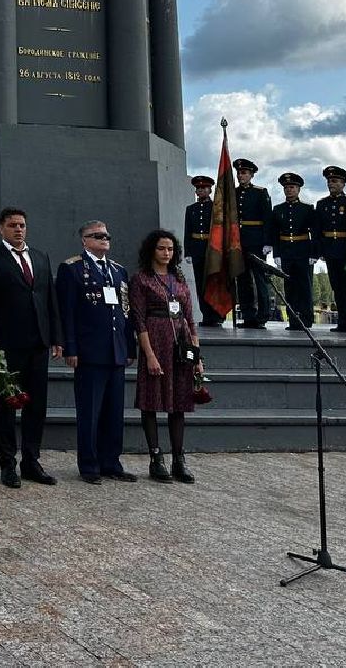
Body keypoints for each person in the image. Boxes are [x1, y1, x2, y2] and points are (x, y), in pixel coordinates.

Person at [0, 207, 62, 489]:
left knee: (36, 405)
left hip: (38, 342)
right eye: (12, 225)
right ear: (1, 228)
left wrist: (56, 338)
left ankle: (31, 460)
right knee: (6, 404)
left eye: (22, 225)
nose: (18, 229)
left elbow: (50, 300)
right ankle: (7, 462)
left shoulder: (40, 257)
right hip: (7, 344)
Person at [57, 220, 136, 484]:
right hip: (89, 352)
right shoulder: (73, 269)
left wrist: (130, 346)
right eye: (98, 236)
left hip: (116, 351)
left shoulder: (118, 271)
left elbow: (125, 312)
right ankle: (89, 465)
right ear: (84, 240)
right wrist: (71, 347)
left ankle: (111, 462)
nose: (104, 239)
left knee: (114, 412)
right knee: (90, 412)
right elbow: (67, 313)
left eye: (107, 236)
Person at [128, 229, 200, 484]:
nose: (166, 253)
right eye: (161, 248)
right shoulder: (141, 280)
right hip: (155, 341)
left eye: (170, 249)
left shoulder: (179, 279)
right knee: (151, 400)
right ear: (152, 250)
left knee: (178, 403)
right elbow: (138, 320)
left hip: (180, 345)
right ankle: (155, 458)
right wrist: (148, 355)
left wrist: (196, 356)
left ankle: (179, 459)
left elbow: (190, 319)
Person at [317, 166, 346, 332]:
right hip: (330, 249)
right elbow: (318, 229)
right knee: (337, 286)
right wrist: (320, 250)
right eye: (329, 181)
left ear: (343, 183)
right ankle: (343, 320)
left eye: (334, 181)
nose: (330, 184)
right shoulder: (322, 204)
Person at [270, 173, 317, 328]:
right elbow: (275, 233)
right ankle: (293, 318)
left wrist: (313, 253)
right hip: (286, 251)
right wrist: (276, 254)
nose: (289, 190)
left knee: (305, 286)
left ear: (298, 189)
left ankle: (306, 318)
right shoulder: (278, 209)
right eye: (286, 187)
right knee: (289, 287)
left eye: (292, 187)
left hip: (303, 250)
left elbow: (314, 232)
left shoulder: (307, 209)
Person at [233, 160, 273, 328]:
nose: (241, 176)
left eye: (244, 173)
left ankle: (262, 316)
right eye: (239, 173)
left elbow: (267, 219)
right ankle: (248, 315)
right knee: (243, 280)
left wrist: (267, 242)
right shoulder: (233, 193)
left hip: (256, 241)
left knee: (260, 279)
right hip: (238, 241)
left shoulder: (260, 192)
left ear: (251, 175)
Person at [184, 176, 218, 326]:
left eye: (204, 188)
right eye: (198, 188)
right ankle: (206, 315)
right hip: (197, 249)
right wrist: (188, 252)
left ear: (210, 190)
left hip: (212, 249)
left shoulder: (216, 207)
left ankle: (216, 315)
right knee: (200, 284)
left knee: (213, 283)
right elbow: (188, 232)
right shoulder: (191, 209)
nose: (200, 191)